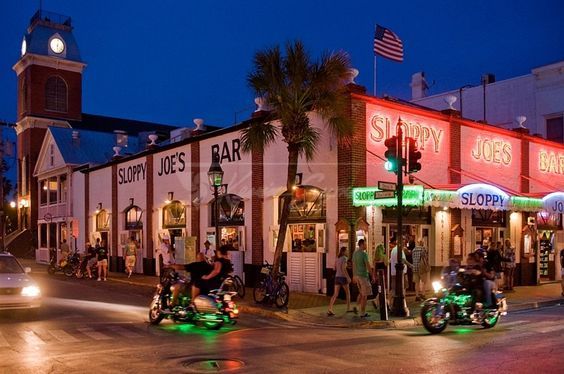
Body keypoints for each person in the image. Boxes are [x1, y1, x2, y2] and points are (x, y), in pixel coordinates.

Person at [327, 247, 352, 316]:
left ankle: (330, 308)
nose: (347, 252)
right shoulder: (344, 258)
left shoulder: (337, 259)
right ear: (343, 252)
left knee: (335, 294)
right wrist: (348, 277)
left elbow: (335, 268)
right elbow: (343, 269)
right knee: (348, 293)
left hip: (337, 277)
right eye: (346, 251)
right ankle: (348, 308)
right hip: (343, 277)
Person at [352, 239, 373, 318]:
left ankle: (357, 307)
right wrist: (372, 275)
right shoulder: (364, 254)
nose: (366, 245)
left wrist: (354, 275)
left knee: (361, 293)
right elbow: (367, 265)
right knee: (365, 295)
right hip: (363, 276)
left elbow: (353, 265)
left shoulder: (355, 253)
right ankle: (362, 312)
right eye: (365, 244)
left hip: (357, 276)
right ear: (361, 244)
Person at [389, 238, 412, 305]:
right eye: (403, 243)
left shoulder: (393, 250)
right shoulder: (399, 250)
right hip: (400, 273)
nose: (404, 244)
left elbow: (391, 260)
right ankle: (402, 302)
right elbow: (403, 259)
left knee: (394, 288)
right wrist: (410, 265)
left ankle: (389, 302)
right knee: (403, 287)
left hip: (394, 272)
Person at [373, 244, 389, 311]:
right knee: (384, 290)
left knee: (380, 289)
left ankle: (379, 303)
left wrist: (374, 276)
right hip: (383, 275)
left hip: (377, 275)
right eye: (384, 248)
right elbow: (386, 264)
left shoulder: (375, 259)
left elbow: (374, 269)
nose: (385, 249)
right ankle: (381, 303)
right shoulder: (384, 257)